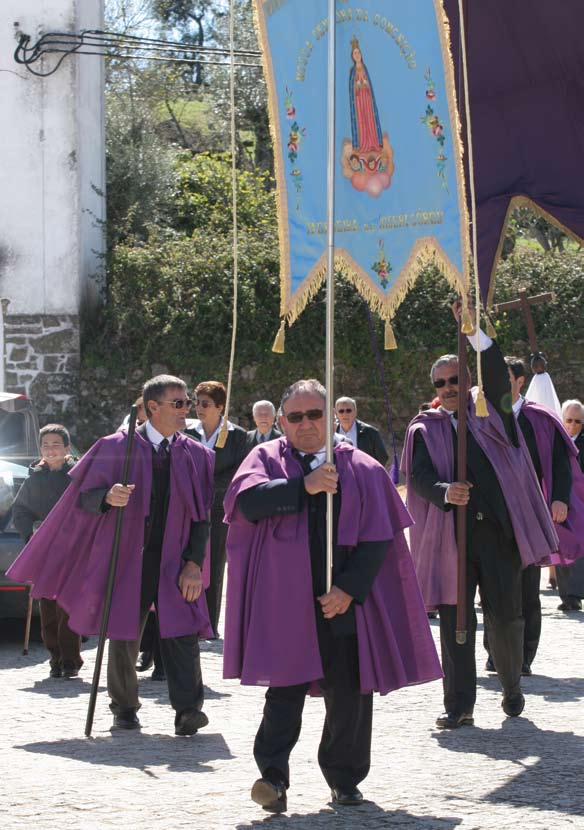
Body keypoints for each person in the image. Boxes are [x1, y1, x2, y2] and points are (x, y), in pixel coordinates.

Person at [223, 379, 441, 813]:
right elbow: (246, 504)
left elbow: (380, 538)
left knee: (349, 692)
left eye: (315, 414)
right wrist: (302, 487)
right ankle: (273, 777)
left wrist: (349, 591)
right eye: (297, 416)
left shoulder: (361, 466)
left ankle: (344, 778)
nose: (306, 423)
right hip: (286, 600)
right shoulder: (264, 458)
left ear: (332, 417)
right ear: (282, 421)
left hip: (342, 600)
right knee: (284, 689)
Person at [8, 375, 215, 735]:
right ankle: (124, 707)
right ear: (153, 407)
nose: (188, 410)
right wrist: (106, 497)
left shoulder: (196, 455)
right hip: (127, 558)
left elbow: (202, 517)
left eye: (188, 402)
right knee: (123, 633)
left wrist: (194, 564)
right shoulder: (114, 447)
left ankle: (188, 710)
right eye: (179, 403)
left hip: (176, 561)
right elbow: (81, 499)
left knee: (182, 632)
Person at [401, 307, 558, 729]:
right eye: (441, 383)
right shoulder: (424, 427)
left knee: (505, 617)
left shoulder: (496, 413)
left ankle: (510, 684)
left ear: (469, 381)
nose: (449, 388)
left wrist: (474, 333)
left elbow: (493, 368)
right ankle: (459, 705)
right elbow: (417, 477)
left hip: (498, 536)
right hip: (451, 536)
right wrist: (444, 492)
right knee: (456, 621)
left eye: (456, 380)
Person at [485, 358, 584, 672]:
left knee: (527, 588)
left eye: (505, 376)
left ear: (520, 381)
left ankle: (524, 656)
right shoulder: (482, 416)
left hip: (530, 515)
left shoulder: (538, 419)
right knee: (494, 589)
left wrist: (559, 499)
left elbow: (560, 462)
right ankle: (496, 653)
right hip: (494, 516)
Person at [12, 424, 82, 679]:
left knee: (68, 606)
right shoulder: (35, 479)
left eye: (56, 445)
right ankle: (55, 657)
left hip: (73, 550)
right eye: (45, 445)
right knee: (48, 607)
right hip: (44, 552)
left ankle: (71, 660)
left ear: (66, 448)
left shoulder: (78, 476)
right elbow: (20, 510)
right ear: (40, 449)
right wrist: (31, 533)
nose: (50, 450)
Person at [185, 381, 247, 637]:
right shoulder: (187, 432)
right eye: (196, 402)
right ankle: (187, 615)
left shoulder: (237, 435)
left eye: (205, 404)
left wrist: (208, 484)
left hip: (220, 510)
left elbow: (239, 472)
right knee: (191, 561)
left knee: (216, 564)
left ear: (220, 407)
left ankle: (209, 622)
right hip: (190, 508)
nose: (199, 408)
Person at [556, 399, 584, 610]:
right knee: (563, 545)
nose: (573, 425)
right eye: (569, 420)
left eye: (578, 421)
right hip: (562, 499)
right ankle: (567, 595)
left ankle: (576, 593)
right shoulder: (556, 439)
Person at [334, 396, 389, 466]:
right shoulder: (331, 433)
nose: (345, 414)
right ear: (336, 414)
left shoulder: (371, 433)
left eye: (348, 410)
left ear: (355, 412)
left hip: (363, 475)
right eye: (341, 411)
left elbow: (382, 457)